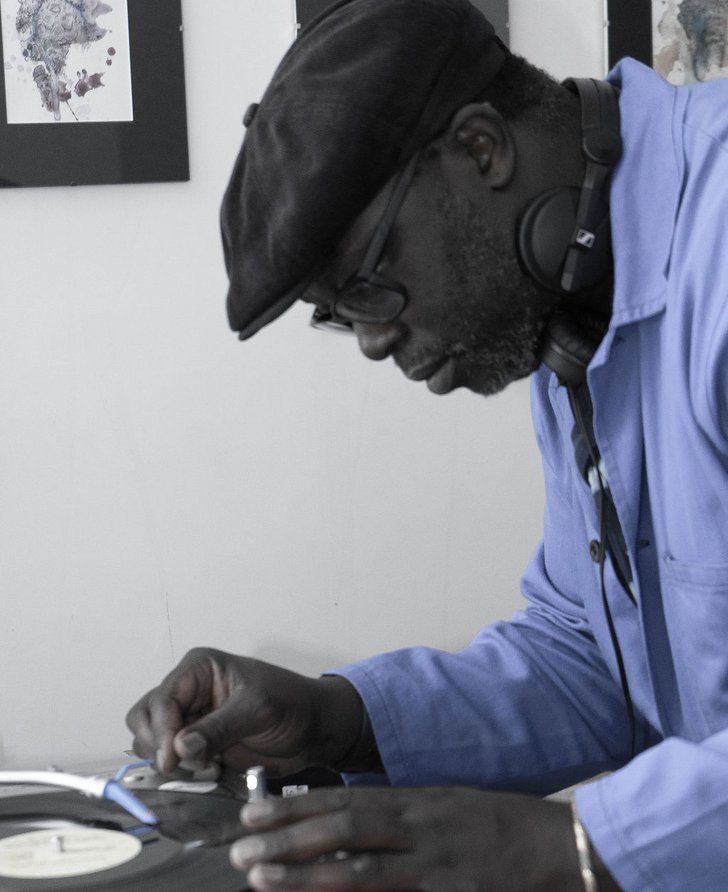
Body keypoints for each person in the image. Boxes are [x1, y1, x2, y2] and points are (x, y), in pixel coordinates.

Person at [126, 0, 728, 889]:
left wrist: (571, 847)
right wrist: (339, 719)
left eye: (370, 285)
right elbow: (598, 663)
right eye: (341, 315)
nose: (373, 342)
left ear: (481, 149)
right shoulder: (568, 314)